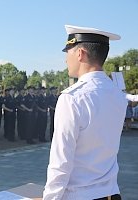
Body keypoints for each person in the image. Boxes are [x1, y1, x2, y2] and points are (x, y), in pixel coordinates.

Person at [43, 25, 126, 200]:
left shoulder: (72, 98)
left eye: (68, 52)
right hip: (111, 193)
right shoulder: (117, 95)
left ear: (80, 53)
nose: (66, 60)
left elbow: (61, 163)